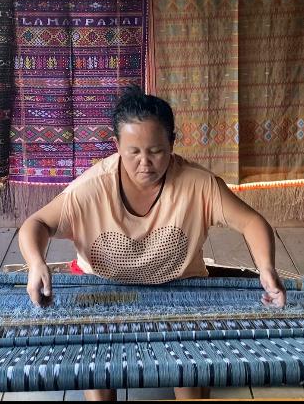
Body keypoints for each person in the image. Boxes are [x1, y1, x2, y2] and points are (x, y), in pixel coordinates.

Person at [18, 86, 287, 401]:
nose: (144, 163)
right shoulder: (90, 189)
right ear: (117, 145)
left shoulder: (198, 185)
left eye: (156, 151)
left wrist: (265, 268)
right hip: (103, 291)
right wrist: (36, 264)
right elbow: (36, 224)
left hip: (184, 291)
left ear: (172, 143)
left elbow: (251, 222)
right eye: (133, 152)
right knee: (100, 372)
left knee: (192, 380)